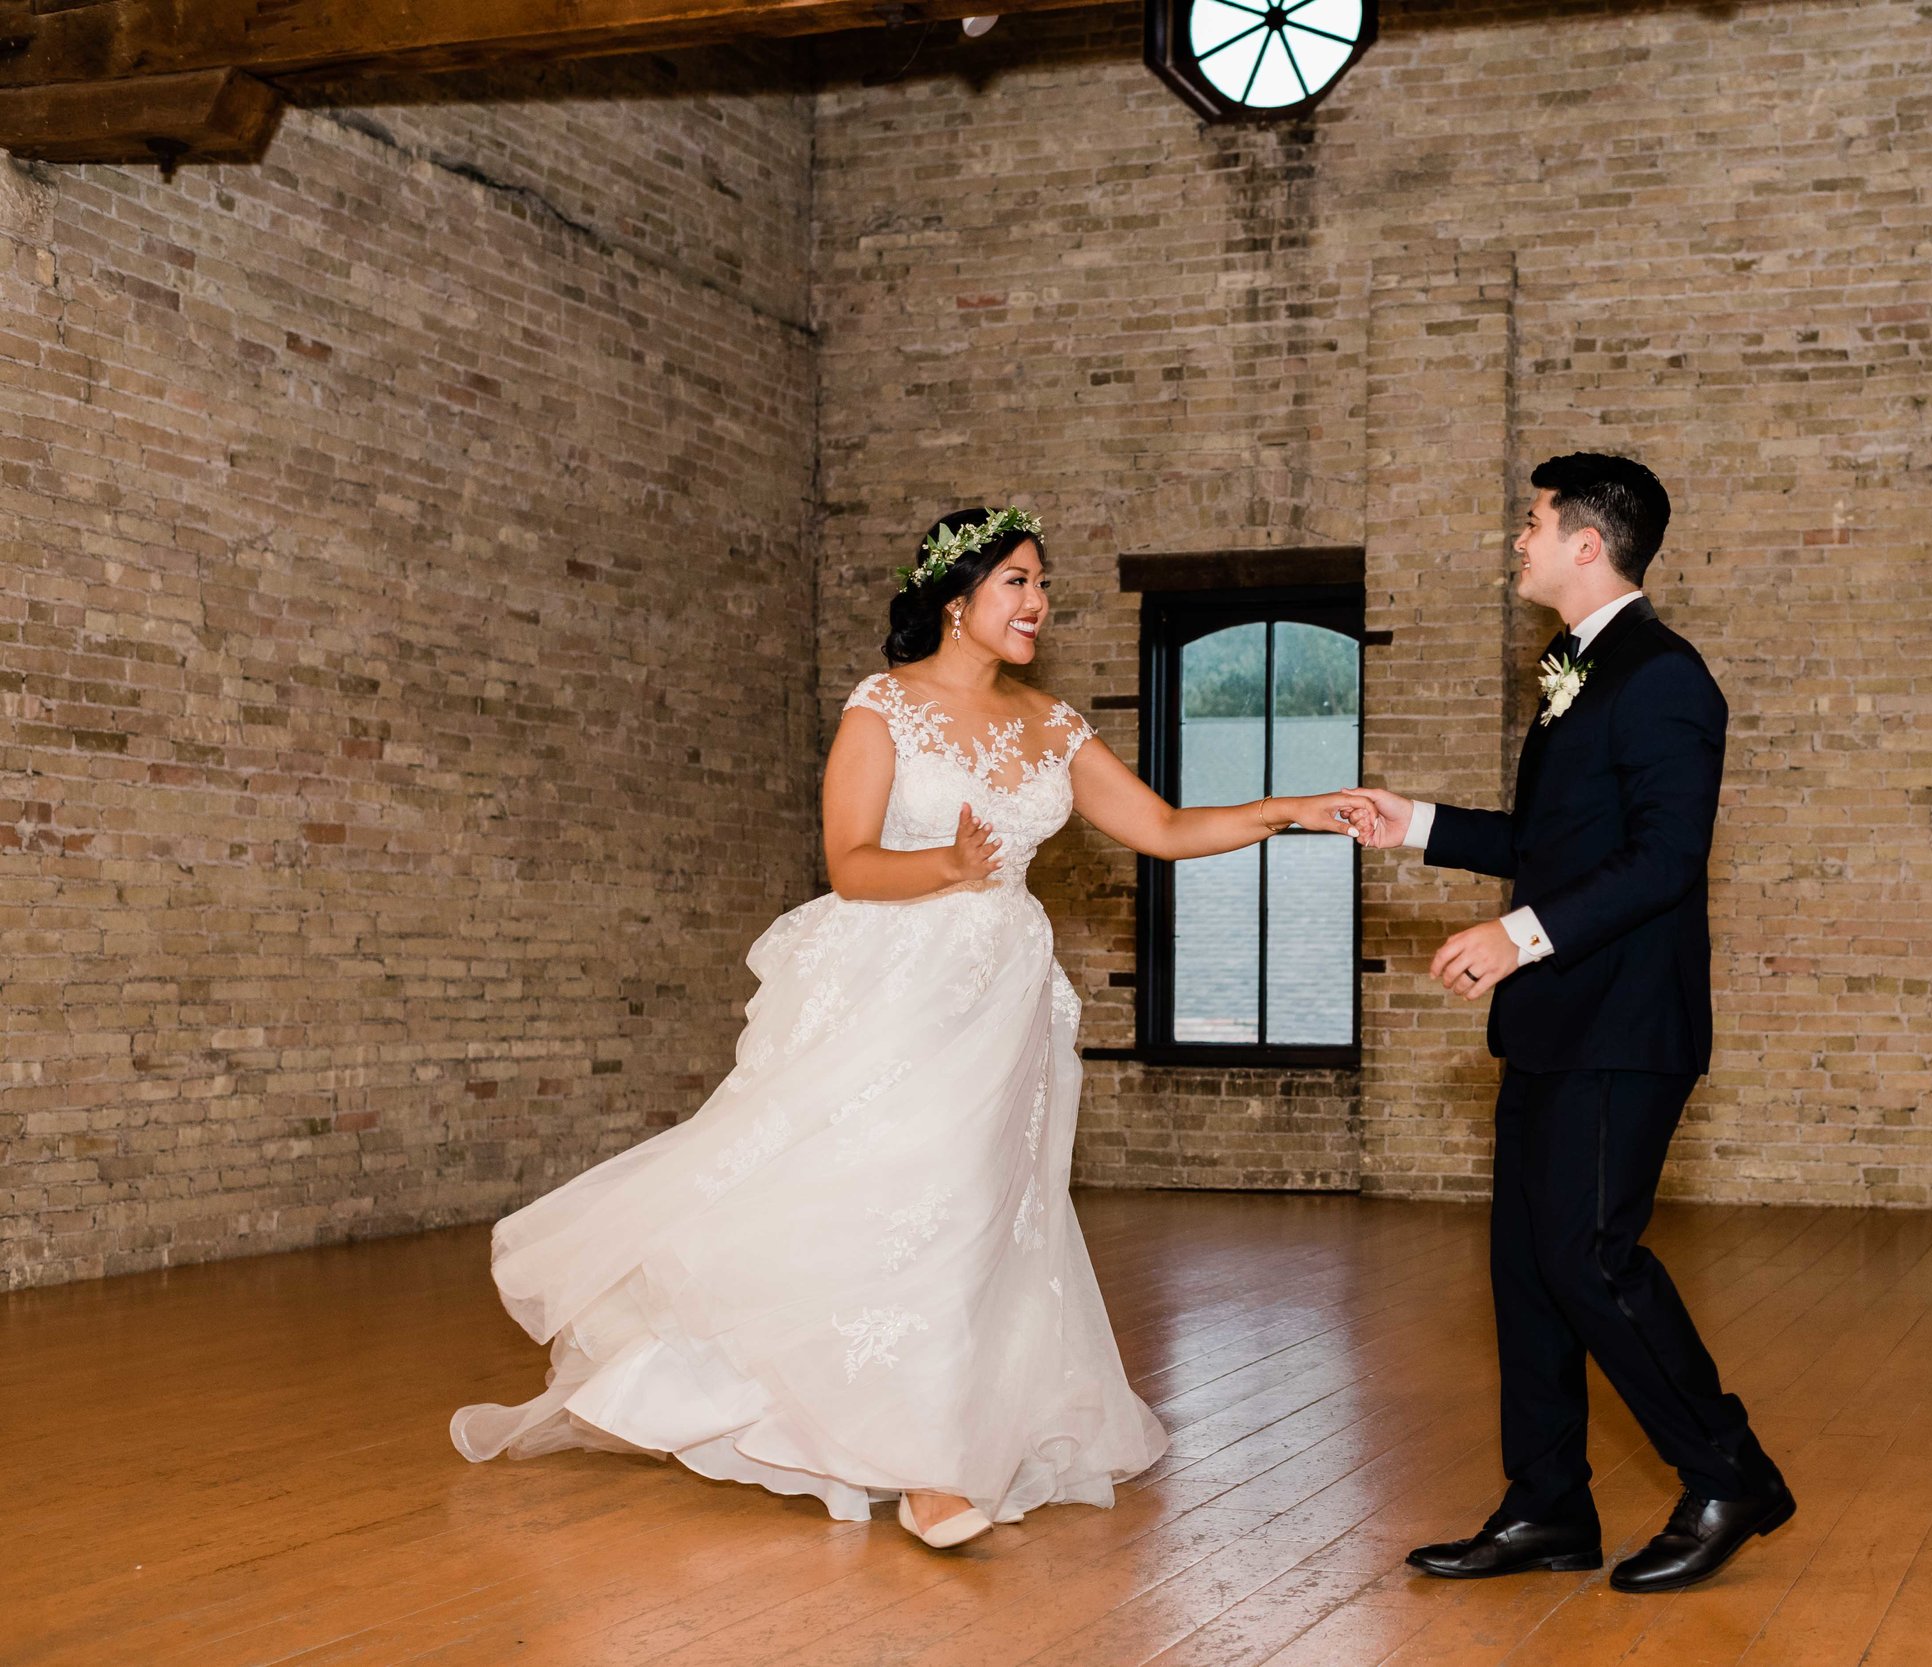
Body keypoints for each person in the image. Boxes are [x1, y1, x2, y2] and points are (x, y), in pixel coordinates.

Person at [452, 506, 1373, 1549]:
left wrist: (1296, 808)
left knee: (977, 1210)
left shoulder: (1052, 722)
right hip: (892, 982)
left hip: (1004, 993)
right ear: (956, 599)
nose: (1038, 602)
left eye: (1042, 583)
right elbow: (849, 860)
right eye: (1017, 582)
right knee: (896, 1199)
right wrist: (944, 866)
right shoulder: (880, 708)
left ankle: (942, 1444)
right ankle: (918, 1467)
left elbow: (1160, 825)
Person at [1348, 452, 1792, 1594]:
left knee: (1591, 1259)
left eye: (1532, 521)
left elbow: (1664, 861)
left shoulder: (1663, 677)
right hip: (1558, 1023)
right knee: (1527, 1270)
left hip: (1624, 1027)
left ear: (1587, 543)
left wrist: (1517, 936)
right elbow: (1560, 842)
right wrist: (1417, 825)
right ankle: (1548, 1504)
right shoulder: (1572, 668)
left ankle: (1727, 1471)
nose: (1518, 537)